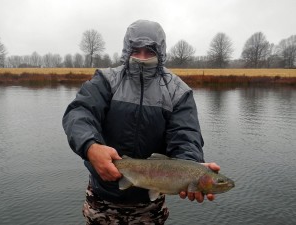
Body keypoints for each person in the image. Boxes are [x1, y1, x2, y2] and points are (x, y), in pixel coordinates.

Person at [62, 19, 220, 225]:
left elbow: (186, 138)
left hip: (150, 205)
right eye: (136, 50)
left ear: (161, 52)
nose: (143, 58)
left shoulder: (177, 92)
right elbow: (79, 114)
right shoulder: (106, 80)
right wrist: (90, 147)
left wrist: (191, 169)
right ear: (127, 50)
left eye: (150, 51)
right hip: (102, 197)